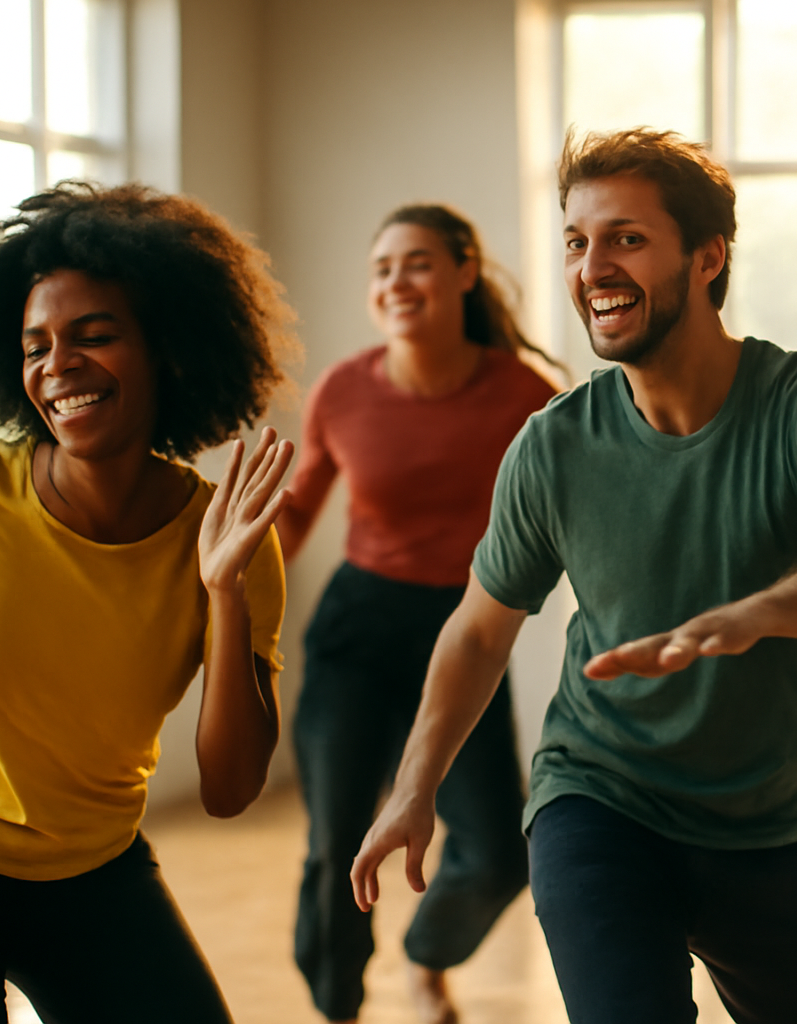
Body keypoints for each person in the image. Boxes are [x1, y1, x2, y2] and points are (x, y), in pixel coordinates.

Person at [348, 128, 797, 1024]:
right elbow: (481, 627)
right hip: (599, 803)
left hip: (766, 828)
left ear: (709, 258)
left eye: (625, 237)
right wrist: (415, 782)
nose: (593, 265)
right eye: (577, 242)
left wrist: (755, 614)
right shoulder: (554, 446)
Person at [0, 182, 299, 1024]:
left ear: (168, 351)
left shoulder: (228, 543)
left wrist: (221, 589)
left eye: (94, 336)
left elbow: (227, 789)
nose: (57, 365)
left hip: (88, 873)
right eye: (35, 345)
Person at [277, 204, 557, 1024]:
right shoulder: (343, 390)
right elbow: (295, 518)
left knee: (499, 853)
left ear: (465, 272)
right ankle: (336, 1006)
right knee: (336, 847)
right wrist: (222, 586)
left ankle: (425, 957)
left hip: (464, 630)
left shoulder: (523, 397)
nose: (397, 281)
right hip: (356, 630)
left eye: (418, 262)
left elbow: (571, 508)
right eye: (382, 268)